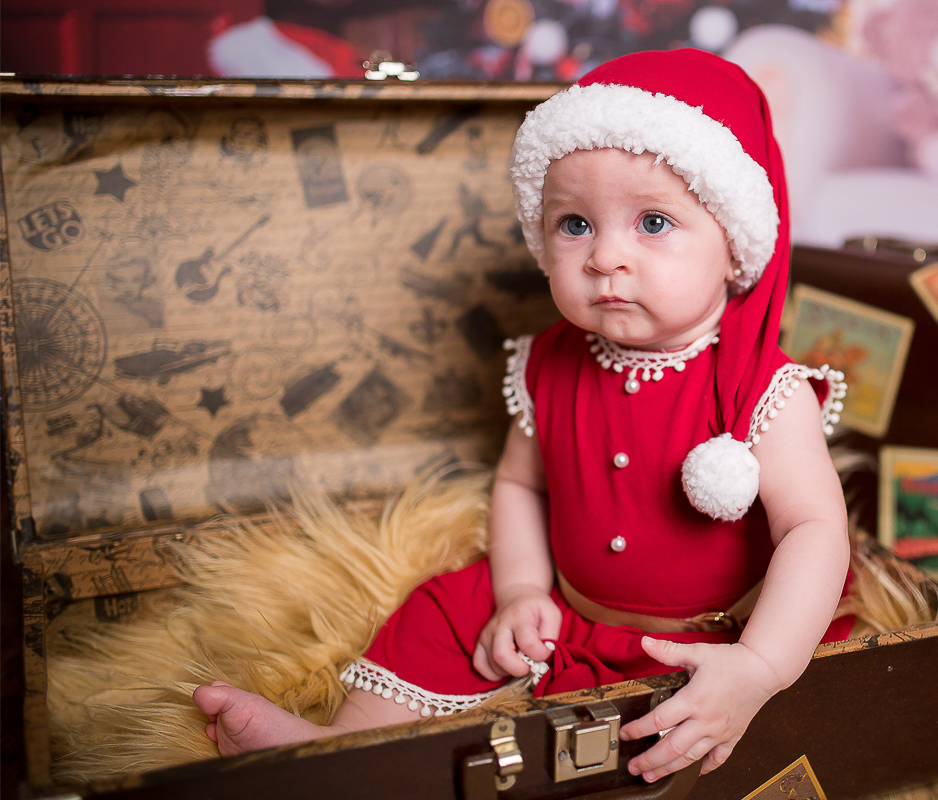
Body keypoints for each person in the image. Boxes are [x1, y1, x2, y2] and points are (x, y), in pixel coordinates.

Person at [193, 48, 853, 783]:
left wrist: (758, 665)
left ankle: (352, 763)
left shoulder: (764, 387)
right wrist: (519, 592)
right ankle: (332, 749)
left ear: (735, 247)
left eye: (654, 222)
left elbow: (814, 528)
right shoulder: (547, 362)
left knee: (670, 713)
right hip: (563, 604)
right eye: (574, 224)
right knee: (443, 610)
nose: (605, 256)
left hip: (703, 636)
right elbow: (520, 486)